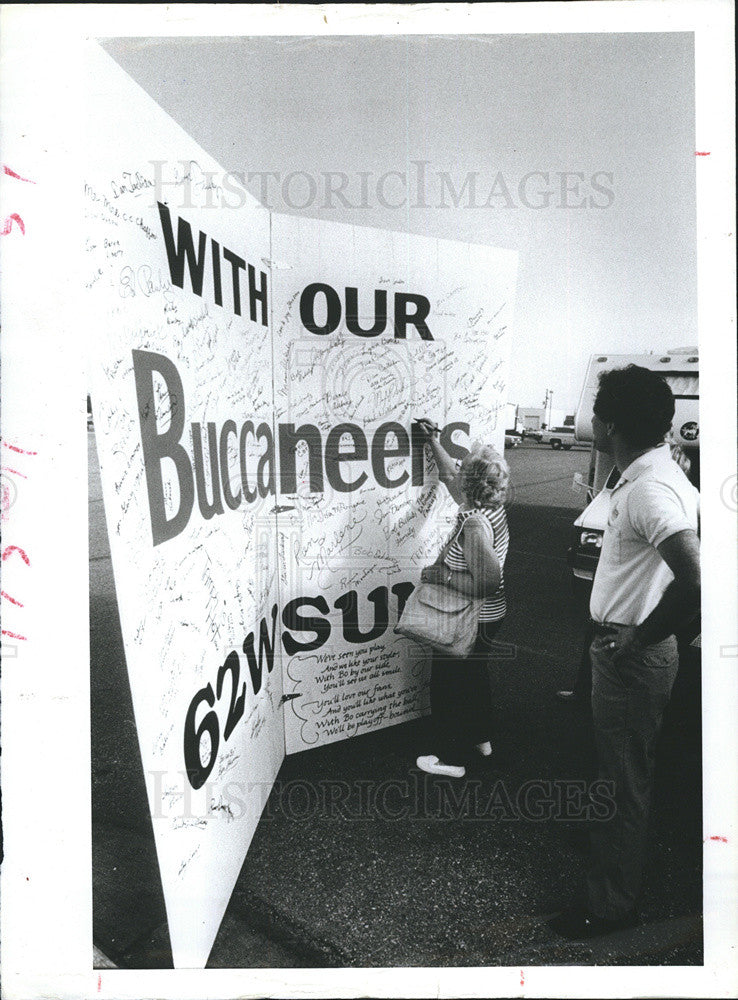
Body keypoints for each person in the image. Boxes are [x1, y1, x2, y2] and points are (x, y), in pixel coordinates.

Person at [548, 365, 700, 939]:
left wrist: (641, 634)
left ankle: (610, 904)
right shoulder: (650, 473)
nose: (589, 418)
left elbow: (698, 577)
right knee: (616, 769)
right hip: (617, 643)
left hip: (632, 652)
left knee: (623, 780)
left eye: (595, 410)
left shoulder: (650, 489)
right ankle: (609, 847)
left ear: (609, 423)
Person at [413, 419, 510, 779]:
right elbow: (451, 479)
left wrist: (441, 575)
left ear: (470, 485)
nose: (456, 473)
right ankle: (481, 741)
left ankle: (448, 758)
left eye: (464, 470)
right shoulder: (490, 506)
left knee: (449, 683)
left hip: (471, 613)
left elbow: (487, 581)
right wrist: (434, 442)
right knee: (472, 678)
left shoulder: (472, 524)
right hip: (489, 616)